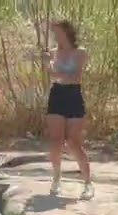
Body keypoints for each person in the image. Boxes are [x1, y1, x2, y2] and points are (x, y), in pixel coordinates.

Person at [43, 20, 92, 200]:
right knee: (55, 140)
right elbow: (52, 76)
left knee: (73, 142)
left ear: (67, 32)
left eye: (58, 32)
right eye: (54, 33)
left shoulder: (80, 53)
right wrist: (48, 64)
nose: (55, 36)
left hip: (73, 96)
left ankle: (87, 182)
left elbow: (75, 78)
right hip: (57, 95)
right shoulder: (53, 53)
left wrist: (55, 72)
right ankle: (56, 177)